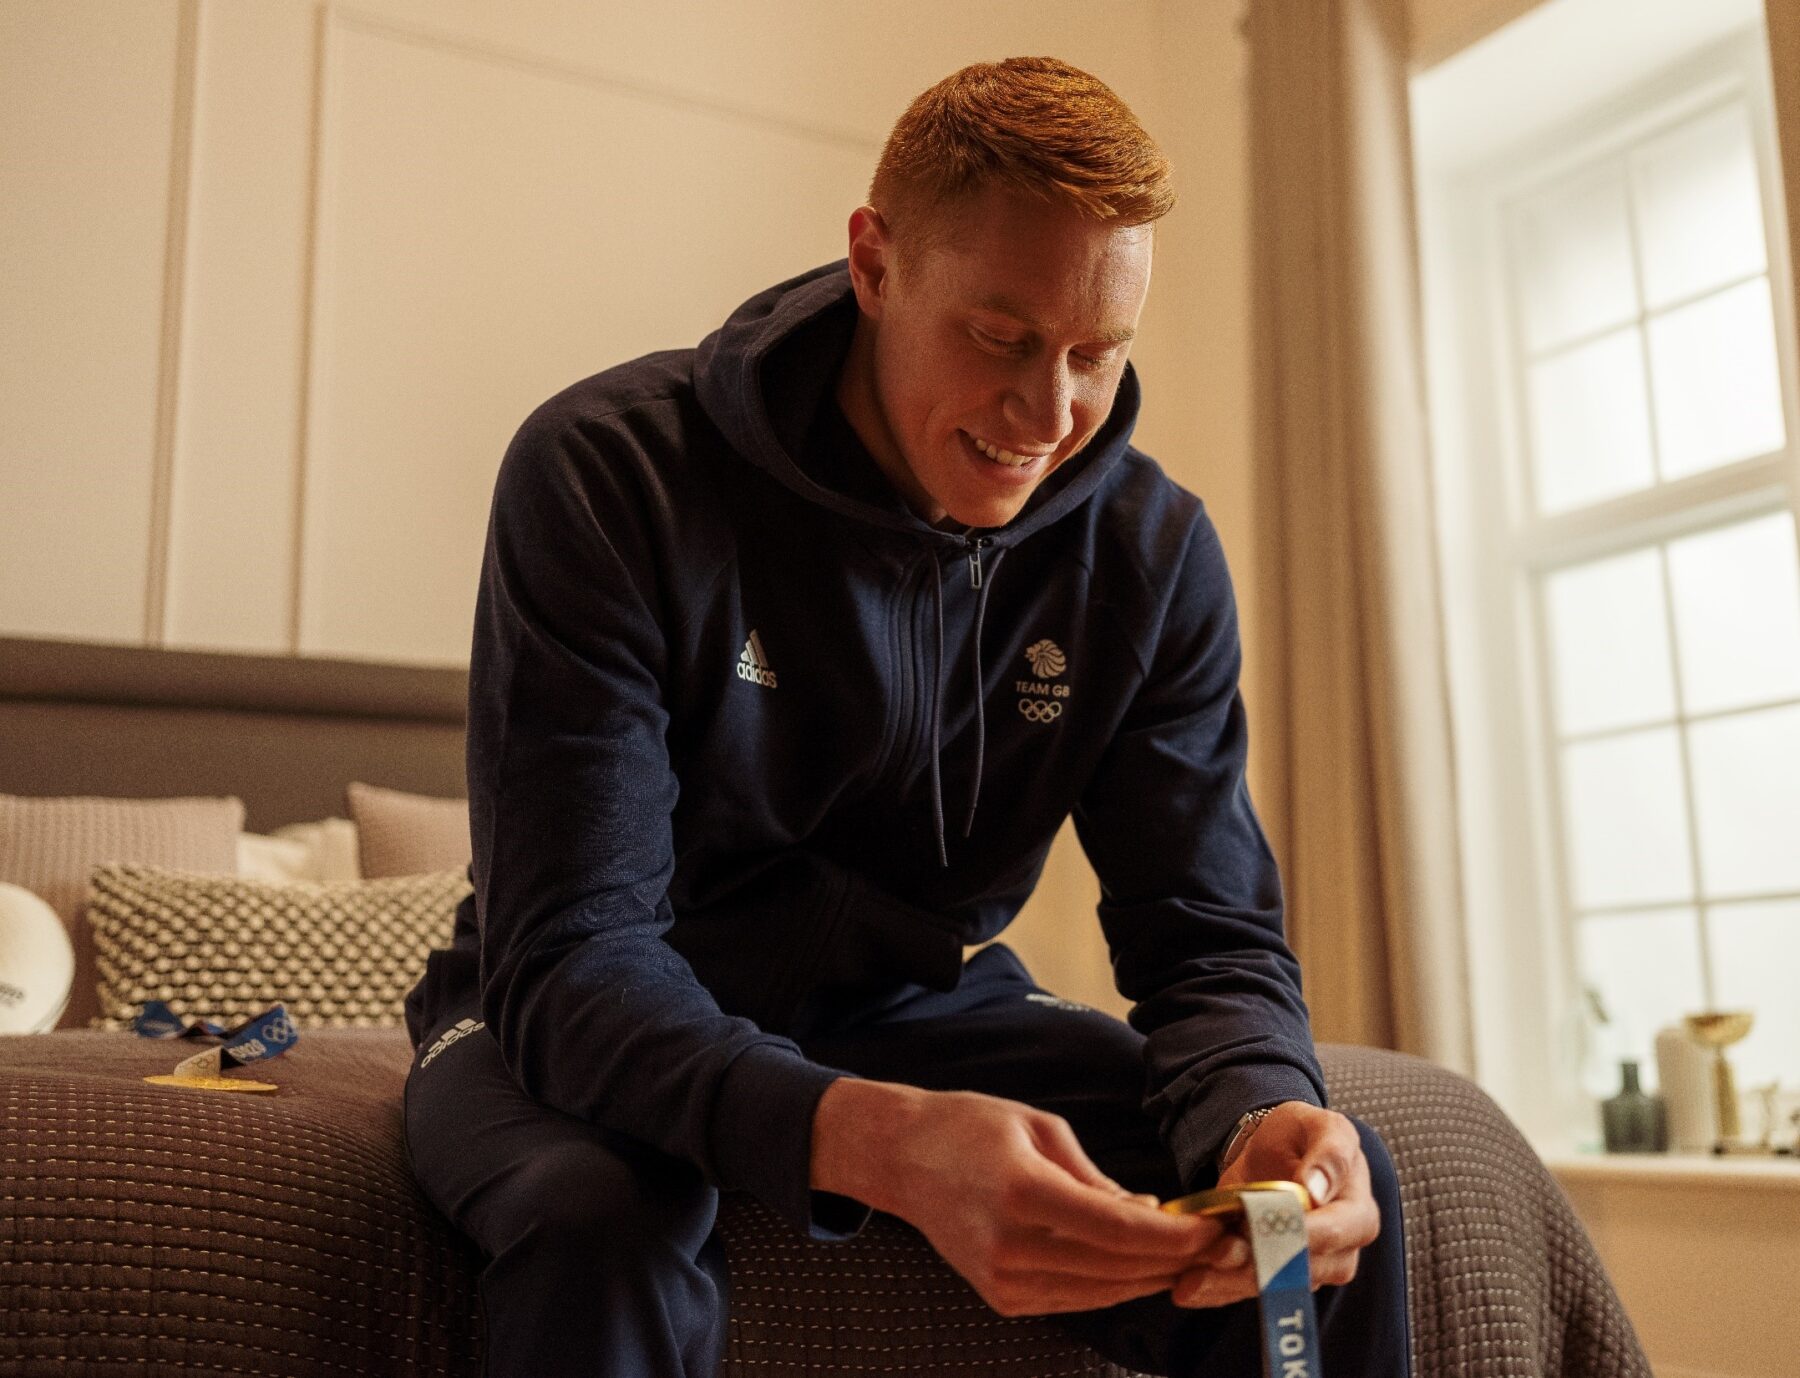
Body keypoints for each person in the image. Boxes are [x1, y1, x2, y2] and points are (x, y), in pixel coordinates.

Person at [401, 54, 1410, 1378]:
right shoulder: (610, 472)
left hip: (911, 1010)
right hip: (577, 1018)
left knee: (1308, 1216)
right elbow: (575, 955)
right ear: (875, 265)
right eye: (1002, 337)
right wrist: (867, 1137)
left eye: (1096, 356)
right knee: (602, 1223)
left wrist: (1265, 1104)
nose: (1048, 414)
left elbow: (1208, 941)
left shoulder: (1152, 557)